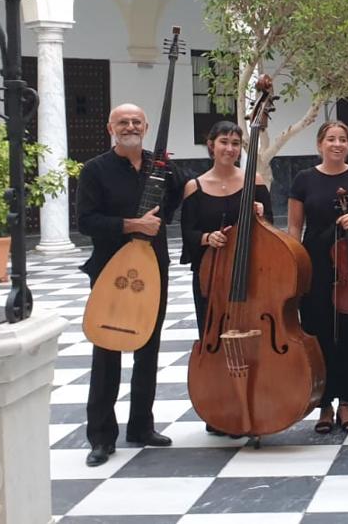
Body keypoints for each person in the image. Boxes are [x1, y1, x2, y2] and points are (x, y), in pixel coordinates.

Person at [77, 103, 182, 467]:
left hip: (153, 268)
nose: (131, 126)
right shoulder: (95, 170)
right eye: (123, 121)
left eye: (137, 121)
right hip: (111, 270)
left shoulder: (160, 167)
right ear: (110, 127)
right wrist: (131, 226)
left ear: (147, 125)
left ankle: (141, 426)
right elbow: (86, 222)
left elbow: (179, 197)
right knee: (107, 350)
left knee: (148, 349)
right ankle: (102, 437)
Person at [179, 120, 273, 435]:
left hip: (251, 278)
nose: (230, 149)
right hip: (213, 278)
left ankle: (257, 401)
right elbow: (188, 234)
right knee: (216, 341)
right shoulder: (195, 186)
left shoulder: (254, 181)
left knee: (253, 341)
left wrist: (260, 214)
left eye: (235, 143)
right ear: (211, 145)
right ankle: (220, 408)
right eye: (224, 142)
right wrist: (208, 238)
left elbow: (271, 230)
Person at [287, 121, 348, 434]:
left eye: (343, 139)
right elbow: (293, 229)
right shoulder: (303, 179)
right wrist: (294, 268)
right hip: (316, 262)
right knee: (319, 331)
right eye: (331, 139)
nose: (337, 144)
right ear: (319, 144)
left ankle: (346, 404)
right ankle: (324, 404)